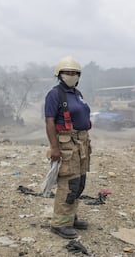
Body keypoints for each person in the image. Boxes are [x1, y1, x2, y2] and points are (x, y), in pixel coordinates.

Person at [44, 56, 92, 239]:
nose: (71, 75)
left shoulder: (77, 93)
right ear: (59, 74)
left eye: (74, 73)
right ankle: (60, 223)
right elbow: (49, 121)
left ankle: (70, 217)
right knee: (69, 182)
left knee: (80, 182)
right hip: (66, 144)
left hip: (81, 143)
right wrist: (54, 148)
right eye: (67, 73)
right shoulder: (55, 94)